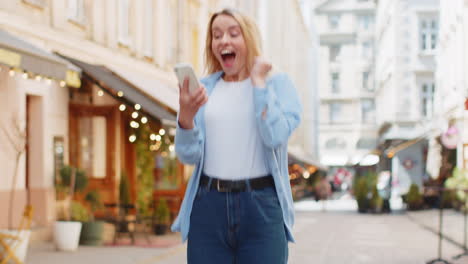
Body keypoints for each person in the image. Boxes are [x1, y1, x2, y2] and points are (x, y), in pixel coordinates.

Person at [171, 8, 302, 264]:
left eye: (233, 33)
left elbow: (274, 136)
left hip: (261, 207)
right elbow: (188, 155)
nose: (224, 41)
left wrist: (258, 84)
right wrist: (186, 117)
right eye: (216, 35)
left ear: (249, 40)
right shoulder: (204, 88)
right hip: (208, 206)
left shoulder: (278, 85)